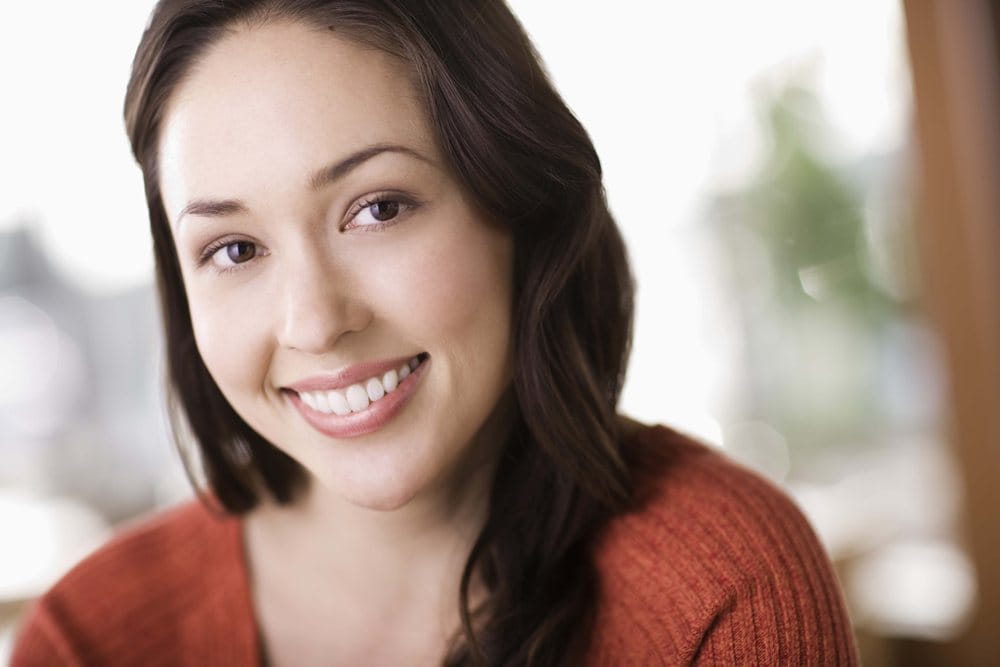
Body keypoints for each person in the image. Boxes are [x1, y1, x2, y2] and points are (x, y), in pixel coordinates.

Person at [11, 1, 858, 665]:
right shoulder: (91, 640)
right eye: (234, 248)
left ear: (518, 204)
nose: (314, 320)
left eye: (377, 208)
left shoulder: (723, 590)